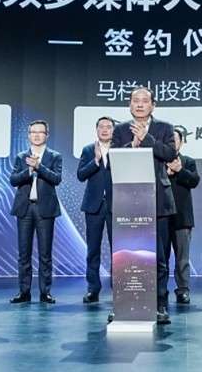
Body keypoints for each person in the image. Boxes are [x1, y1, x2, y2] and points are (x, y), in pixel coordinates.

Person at [110, 86, 179, 325]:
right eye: (135, 100)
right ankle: (122, 304)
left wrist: (147, 139)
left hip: (157, 200)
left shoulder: (164, 128)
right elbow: (112, 159)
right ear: (129, 105)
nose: (139, 104)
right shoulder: (120, 130)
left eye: (144, 101)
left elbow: (170, 154)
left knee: (158, 257)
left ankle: (160, 304)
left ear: (153, 105)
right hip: (127, 202)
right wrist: (132, 145)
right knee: (124, 256)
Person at [8, 120, 62, 305]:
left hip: (45, 208)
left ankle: (45, 292)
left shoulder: (54, 156)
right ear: (29, 135)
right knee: (24, 253)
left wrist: (39, 167)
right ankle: (24, 292)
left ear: (47, 135)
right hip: (25, 208)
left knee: (45, 254)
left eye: (41, 132)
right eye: (33, 132)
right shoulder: (21, 156)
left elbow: (56, 179)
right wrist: (29, 171)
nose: (37, 135)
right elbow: (13, 180)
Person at [77, 116, 115, 303]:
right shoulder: (88, 150)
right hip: (94, 206)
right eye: (101, 127)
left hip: (116, 205)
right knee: (93, 249)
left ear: (113, 130)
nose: (105, 130)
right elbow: (80, 175)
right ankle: (93, 288)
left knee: (118, 250)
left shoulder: (121, 149)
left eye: (108, 127)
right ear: (96, 129)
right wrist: (96, 160)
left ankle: (119, 287)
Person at [166, 127, 201, 306]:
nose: (173, 143)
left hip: (182, 217)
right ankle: (160, 290)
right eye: (169, 140)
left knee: (182, 258)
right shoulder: (157, 161)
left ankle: (183, 290)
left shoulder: (188, 161)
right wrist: (165, 173)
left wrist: (179, 170)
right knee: (160, 258)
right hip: (161, 216)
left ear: (182, 142)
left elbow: (194, 181)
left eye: (176, 140)